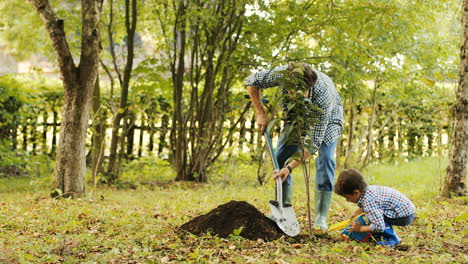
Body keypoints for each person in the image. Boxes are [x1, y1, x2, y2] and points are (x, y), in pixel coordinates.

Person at [245, 63, 344, 230]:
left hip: (329, 119)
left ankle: (321, 217)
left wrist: (290, 168)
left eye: (302, 92)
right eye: (291, 91)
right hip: (295, 117)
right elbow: (251, 81)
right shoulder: (282, 74)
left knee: (325, 159)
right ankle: (283, 209)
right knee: (281, 157)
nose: (296, 95)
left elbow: (312, 145)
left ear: (309, 86)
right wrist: (260, 112)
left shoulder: (323, 95)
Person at [334, 169, 416, 246]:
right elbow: (370, 206)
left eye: (347, 197)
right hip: (403, 210)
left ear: (356, 192)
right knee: (371, 215)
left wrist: (361, 228)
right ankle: (378, 234)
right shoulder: (367, 191)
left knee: (373, 219)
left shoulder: (369, 201)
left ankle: (392, 239)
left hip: (404, 215)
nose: (347, 200)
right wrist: (357, 212)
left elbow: (378, 226)